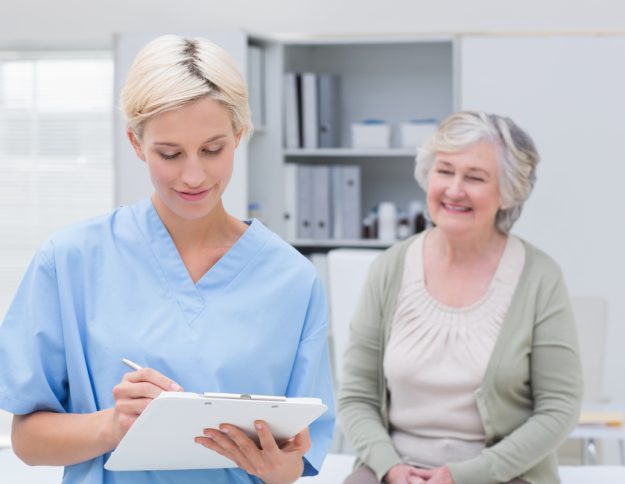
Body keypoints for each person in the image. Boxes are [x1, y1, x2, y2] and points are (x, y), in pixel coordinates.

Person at [0, 35, 334, 484]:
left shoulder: (293, 280)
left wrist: (279, 467)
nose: (193, 175)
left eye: (213, 149)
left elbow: (297, 462)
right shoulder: (71, 261)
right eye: (169, 154)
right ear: (136, 144)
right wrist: (112, 425)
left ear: (239, 136)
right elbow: (27, 441)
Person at [338, 111, 582, 484]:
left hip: (500, 475)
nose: (454, 189)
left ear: (508, 192)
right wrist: (390, 467)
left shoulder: (539, 277)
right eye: (445, 171)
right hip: (395, 470)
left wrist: (465, 475)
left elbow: (558, 408)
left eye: (475, 177)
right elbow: (356, 397)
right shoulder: (389, 268)